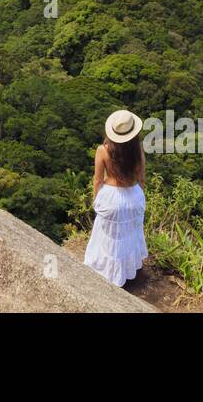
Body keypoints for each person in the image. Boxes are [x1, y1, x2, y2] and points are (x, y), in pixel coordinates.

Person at [83, 109, 147, 287]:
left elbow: (97, 180)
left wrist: (97, 201)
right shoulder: (138, 150)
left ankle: (108, 271)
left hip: (111, 197)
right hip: (133, 195)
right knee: (130, 234)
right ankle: (127, 271)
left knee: (108, 235)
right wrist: (137, 197)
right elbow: (141, 178)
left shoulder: (102, 150)